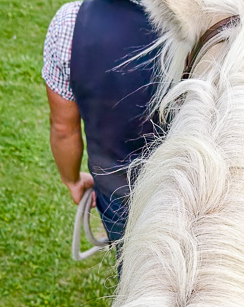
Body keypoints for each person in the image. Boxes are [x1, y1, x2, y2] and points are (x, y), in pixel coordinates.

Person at [42, 0, 159, 246]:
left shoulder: (70, 23)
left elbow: (64, 129)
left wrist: (72, 179)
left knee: (132, 272)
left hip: (118, 193)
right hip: (199, 191)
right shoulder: (210, 21)